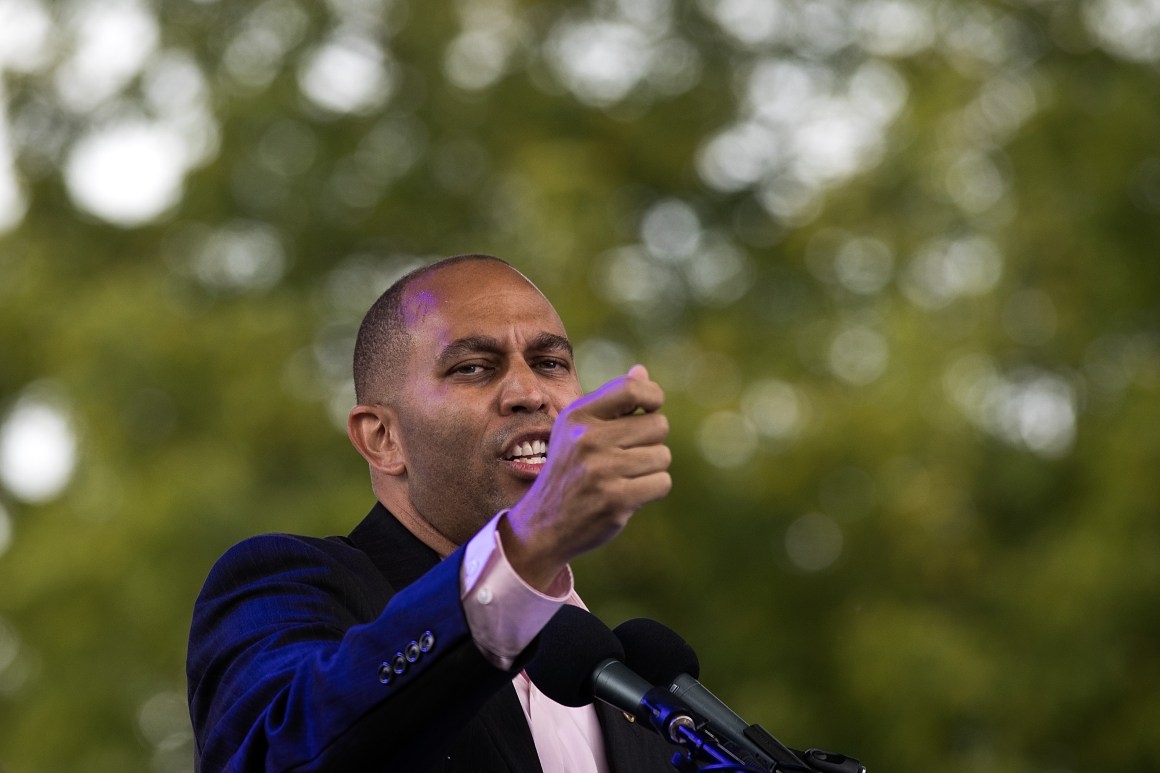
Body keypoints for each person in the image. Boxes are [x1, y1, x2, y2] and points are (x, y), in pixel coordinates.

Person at [187, 254, 677, 772]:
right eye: (473, 368)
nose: (530, 393)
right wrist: (530, 545)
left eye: (550, 363)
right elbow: (277, 756)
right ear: (384, 438)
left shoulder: (616, 681)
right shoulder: (285, 583)